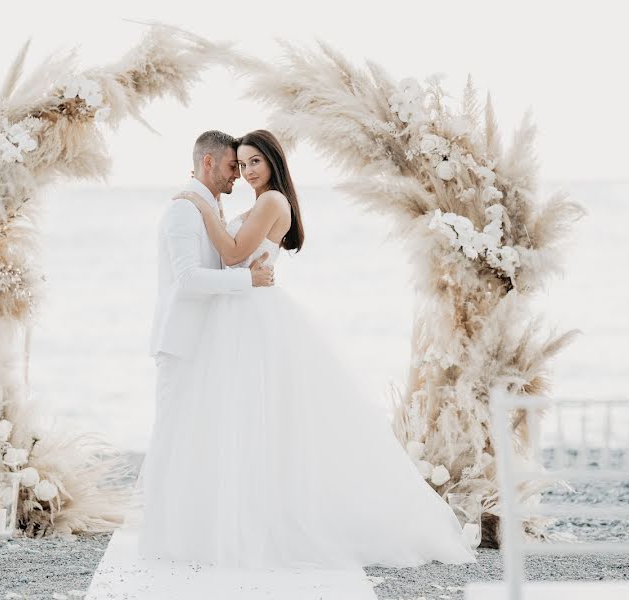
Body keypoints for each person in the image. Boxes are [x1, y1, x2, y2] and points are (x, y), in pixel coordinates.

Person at [140, 129, 476, 569]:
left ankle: (256, 522)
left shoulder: (272, 202)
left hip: (250, 315)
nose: (245, 172)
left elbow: (233, 250)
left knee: (262, 420)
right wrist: (211, 210)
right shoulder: (251, 203)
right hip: (237, 315)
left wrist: (204, 207)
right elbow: (225, 259)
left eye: (253, 162)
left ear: (273, 162)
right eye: (239, 165)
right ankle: (228, 519)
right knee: (238, 423)